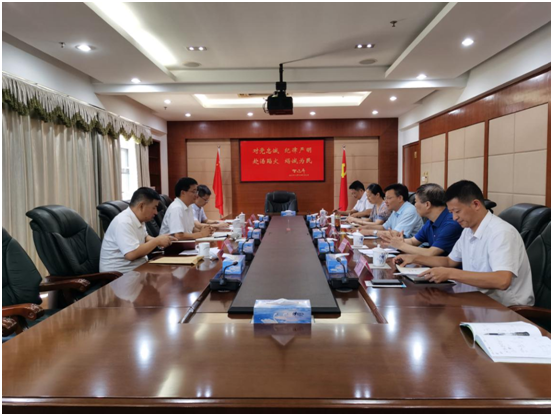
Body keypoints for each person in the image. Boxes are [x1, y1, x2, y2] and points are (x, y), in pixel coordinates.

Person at [395, 180, 534, 307]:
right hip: (475, 300)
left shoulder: (501, 233)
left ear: (476, 204)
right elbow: (449, 261)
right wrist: (414, 258)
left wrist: (450, 273)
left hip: (506, 309)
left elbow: (502, 280)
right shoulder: (468, 230)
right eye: (451, 212)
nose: (454, 218)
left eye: (457, 211)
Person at [100, 187, 176, 274]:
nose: (156, 212)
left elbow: (145, 237)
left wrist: (163, 240)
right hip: (119, 275)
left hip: (137, 268)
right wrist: (157, 241)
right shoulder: (124, 222)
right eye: (154, 208)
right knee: (168, 275)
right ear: (142, 206)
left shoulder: (138, 218)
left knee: (171, 272)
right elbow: (131, 254)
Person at [381, 183, 462, 256]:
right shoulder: (431, 221)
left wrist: (400, 245)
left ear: (427, 204)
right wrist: (394, 241)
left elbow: (431, 252)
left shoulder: (451, 223)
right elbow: (413, 241)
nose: (415, 205)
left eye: (416, 202)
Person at [358, 183, 423, 238]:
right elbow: (384, 227)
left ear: (400, 198)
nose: (385, 201)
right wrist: (365, 228)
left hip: (410, 247)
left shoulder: (410, 211)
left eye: (389, 198)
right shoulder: (395, 210)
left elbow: (397, 234)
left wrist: (370, 232)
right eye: (385, 198)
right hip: (397, 245)